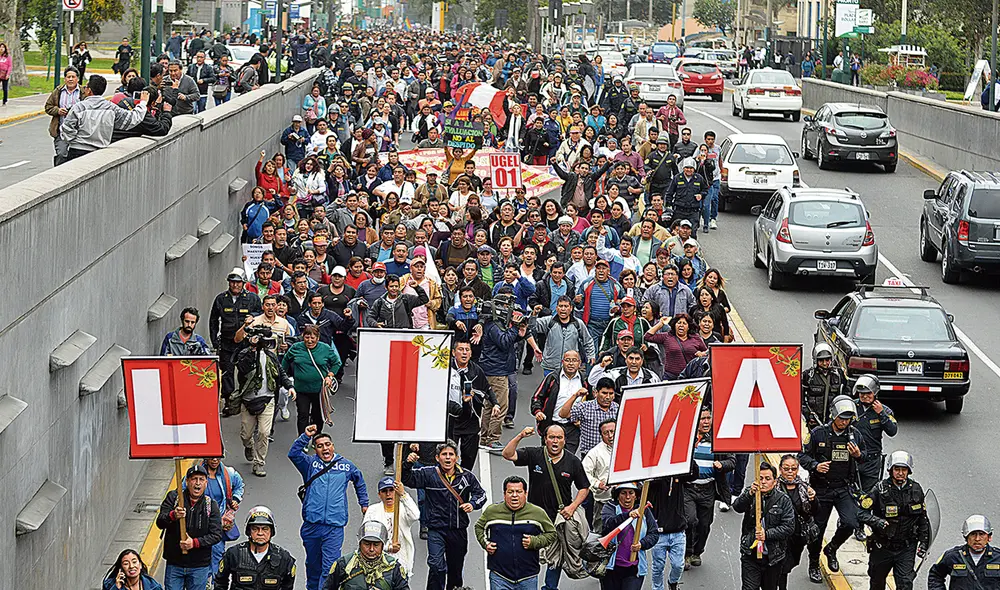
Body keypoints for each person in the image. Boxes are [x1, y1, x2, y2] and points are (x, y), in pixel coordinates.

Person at [502, 424, 591, 589]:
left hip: (558, 518)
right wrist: (520, 436)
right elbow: (507, 454)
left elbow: (584, 488)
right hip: (533, 517)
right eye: (551, 437)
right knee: (527, 551)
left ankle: (550, 587)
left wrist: (572, 507)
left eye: (559, 438)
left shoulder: (573, 461)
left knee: (555, 557)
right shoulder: (534, 454)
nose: (555, 441)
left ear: (565, 440)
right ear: (545, 439)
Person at [289, 424, 369, 590]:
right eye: (319, 446)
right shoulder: (310, 464)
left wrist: (364, 503)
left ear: (332, 446)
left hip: (334, 526)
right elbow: (294, 454)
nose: (324, 448)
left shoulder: (345, 465)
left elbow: (359, 480)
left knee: (330, 569)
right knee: (313, 566)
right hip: (311, 525)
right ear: (315, 449)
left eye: (327, 444)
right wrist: (305, 436)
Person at [402, 440, 488, 590]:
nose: (447, 458)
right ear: (437, 458)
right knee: (436, 566)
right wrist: (407, 464)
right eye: (444, 454)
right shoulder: (428, 474)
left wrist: (472, 504)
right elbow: (407, 478)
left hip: (458, 530)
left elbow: (481, 495)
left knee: (455, 570)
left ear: (457, 458)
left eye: (451, 454)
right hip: (436, 530)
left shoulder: (467, 477)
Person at [797, 396, 866, 575]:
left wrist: (858, 454)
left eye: (848, 419)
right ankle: (813, 563)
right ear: (833, 416)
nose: (844, 422)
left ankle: (832, 548)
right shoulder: (818, 433)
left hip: (843, 488)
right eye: (841, 418)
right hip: (821, 488)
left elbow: (865, 457)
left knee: (851, 522)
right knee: (817, 530)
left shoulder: (855, 435)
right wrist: (815, 466)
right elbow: (802, 456)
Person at [857, 451, 929, 590]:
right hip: (882, 546)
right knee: (877, 583)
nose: (900, 473)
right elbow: (861, 513)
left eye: (904, 469)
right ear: (890, 470)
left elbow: (922, 518)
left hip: (906, 548)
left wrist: (924, 542)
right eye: (897, 469)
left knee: (905, 584)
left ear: (909, 471)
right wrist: (876, 521)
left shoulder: (916, 489)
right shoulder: (879, 489)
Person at [476, 475, 558, 590]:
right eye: (510, 492)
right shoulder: (492, 511)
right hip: (499, 576)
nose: (514, 495)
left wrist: (535, 542)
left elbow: (551, 533)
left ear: (526, 494)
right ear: (504, 494)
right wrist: (486, 544)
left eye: (519, 492)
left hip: (528, 576)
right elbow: (479, 527)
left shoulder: (537, 513)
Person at [234, 323, 295, 476]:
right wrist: (251, 349)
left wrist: (289, 386)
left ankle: (259, 463)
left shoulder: (270, 356)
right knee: (246, 435)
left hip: (267, 400)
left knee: (263, 433)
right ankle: (249, 447)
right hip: (248, 401)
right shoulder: (244, 353)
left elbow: (280, 372)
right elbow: (242, 368)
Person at [155, 464, 223, 590]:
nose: (197, 483)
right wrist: (172, 515)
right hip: (175, 564)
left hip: (199, 566)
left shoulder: (211, 505)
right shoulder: (174, 498)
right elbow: (160, 522)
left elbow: (216, 535)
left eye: (201, 479)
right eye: (194, 479)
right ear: (187, 481)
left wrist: (194, 543)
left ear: (206, 483)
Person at [733, 461, 796, 590]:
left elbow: (789, 527)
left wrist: (766, 534)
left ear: (774, 481)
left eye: (768, 478)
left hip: (773, 557)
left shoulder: (783, 500)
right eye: (760, 478)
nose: (763, 482)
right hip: (751, 554)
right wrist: (749, 494)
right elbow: (737, 507)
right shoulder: (750, 493)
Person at [685, 408, 735, 569]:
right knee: (690, 520)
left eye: (708, 418)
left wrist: (722, 465)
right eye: (702, 419)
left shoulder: (717, 439)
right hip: (688, 488)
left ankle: (697, 552)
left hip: (708, 489)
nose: (706, 422)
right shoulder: (687, 437)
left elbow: (732, 461)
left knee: (704, 524)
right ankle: (686, 553)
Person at [59, 75, 148, 163]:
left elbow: (67, 129)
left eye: (86, 87)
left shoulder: (78, 107)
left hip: (77, 150)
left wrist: (73, 140)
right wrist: (143, 103)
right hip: (100, 153)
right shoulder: (112, 108)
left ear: (89, 90)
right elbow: (132, 119)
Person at [210, 268, 263, 415]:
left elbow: (260, 314)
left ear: (243, 283)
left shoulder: (252, 298)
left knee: (245, 372)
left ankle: (245, 401)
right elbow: (213, 321)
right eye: (233, 282)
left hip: (245, 344)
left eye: (238, 282)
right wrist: (214, 341)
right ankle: (229, 403)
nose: (235, 285)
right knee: (227, 373)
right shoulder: (221, 299)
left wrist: (252, 317)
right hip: (226, 343)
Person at [215, 506, 296, 590]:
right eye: (255, 529)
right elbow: (220, 583)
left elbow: (288, 586)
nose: (260, 533)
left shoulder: (283, 557)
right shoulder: (234, 554)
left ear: (271, 532)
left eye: (265, 529)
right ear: (249, 531)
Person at [447, 340, 498, 469]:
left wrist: (495, 404)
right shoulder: (446, 370)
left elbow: (487, 389)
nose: (464, 353)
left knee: (469, 459)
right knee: (448, 457)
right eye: (461, 349)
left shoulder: (476, 370)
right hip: (451, 422)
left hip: (471, 421)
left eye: (467, 350)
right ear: (453, 353)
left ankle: (464, 483)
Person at [282, 324, 342, 434]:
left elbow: (337, 363)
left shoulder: (325, 348)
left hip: (319, 390)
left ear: (318, 338)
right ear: (302, 336)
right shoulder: (296, 348)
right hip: (301, 389)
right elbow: (286, 361)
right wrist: (283, 377)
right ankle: (302, 440)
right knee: (302, 415)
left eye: (312, 338)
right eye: (307, 337)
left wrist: (330, 376)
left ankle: (316, 438)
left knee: (317, 415)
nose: (309, 341)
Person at [601, 482, 660, 590]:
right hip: (611, 568)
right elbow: (607, 525)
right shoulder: (610, 507)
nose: (627, 497)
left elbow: (654, 534)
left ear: (636, 495)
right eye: (623, 493)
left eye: (631, 493)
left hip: (634, 568)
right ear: (618, 495)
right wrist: (627, 516)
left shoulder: (644, 510)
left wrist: (642, 544)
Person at [776, 454, 821, 588]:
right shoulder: (774, 487)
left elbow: (815, 511)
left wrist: (813, 499)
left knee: (792, 562)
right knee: (781, 567)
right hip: (780, 534)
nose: (790, 472)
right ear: (780, 469)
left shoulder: (804, 488)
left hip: (798, 535)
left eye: (793, 469)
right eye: (786, 468)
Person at [323, 521, 409, 590]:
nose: (371, 549)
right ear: (360, 544)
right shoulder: (343, 564)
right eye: (367, 544)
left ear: (382, 545)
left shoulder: (393, 567)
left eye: (376, 545)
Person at [363, 477, 421, 576]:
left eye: (391, 490)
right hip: (378, 560)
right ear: (379, 494)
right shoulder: (372, 511)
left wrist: (403, 495)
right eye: (384, 491)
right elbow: (365, 538)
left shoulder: (403, 509)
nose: (388, 494)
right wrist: (387, 548)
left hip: (401, 559)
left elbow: (415, 515)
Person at [852, 375, 898, 496]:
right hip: (852, 459)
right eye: (862, 394)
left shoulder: (884, 410)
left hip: (871, 462)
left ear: (875, 393)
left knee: (869, 496)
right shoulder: (851, 407)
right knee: (850, 494)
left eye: (868, 393)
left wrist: (881, 414)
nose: (865, 396)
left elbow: (892, 431)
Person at [928, 515, 1000, 589]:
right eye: (973, 534)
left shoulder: (998, 557)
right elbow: (935, 575)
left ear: (989, 537)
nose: (977, 539)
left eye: (981, 534)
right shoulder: (953, 556)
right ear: (966, 537)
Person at [556, 376, 619, 459]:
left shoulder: (618, 408)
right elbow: (563, 414)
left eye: (611, 394)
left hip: (611, 455)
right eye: (604, 393)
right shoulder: (585, 407)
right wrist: (575, 395)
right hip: (589, 456)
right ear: (596, 393)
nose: (607, 397)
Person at [583, 419, 617, 532]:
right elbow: (584, 473)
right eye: (606, 433)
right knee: (601, 535)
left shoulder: (629, 448)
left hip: (626, 502)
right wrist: (598, 484)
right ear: (601, 435)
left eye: (613, 431)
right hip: (603, 503)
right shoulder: (595, 452)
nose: (610, 435)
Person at [801, 343, 844, 430]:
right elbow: (800, 398)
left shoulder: (838, 375)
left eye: (827, 360)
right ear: (815, 361)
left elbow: (845, 396)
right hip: (813, 420)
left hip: (833, 420)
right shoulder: (808, 375)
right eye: (821, 360)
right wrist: (808, 415)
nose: (824, 363)